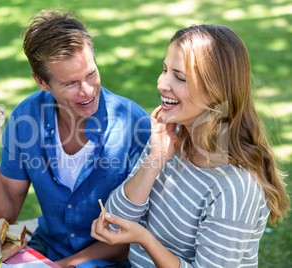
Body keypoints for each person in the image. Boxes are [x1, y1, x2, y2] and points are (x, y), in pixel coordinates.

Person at [91, 24, 290, 267]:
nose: (162, 83)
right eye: (165, 70)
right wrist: (156, 159)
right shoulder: (168, 140)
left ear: (216, 92)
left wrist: (145, 239)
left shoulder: (236, 186)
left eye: (179, 77)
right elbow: (114, 222)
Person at [0, 8, 150, 267]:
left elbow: (142, 234)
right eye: (70, 83)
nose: (87, 91)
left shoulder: (134, 125)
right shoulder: (25, 119)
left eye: (91, 74)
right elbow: (2, 216)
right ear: (42, 82)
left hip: (113, 260)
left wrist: (67, 264)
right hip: (49, 248)